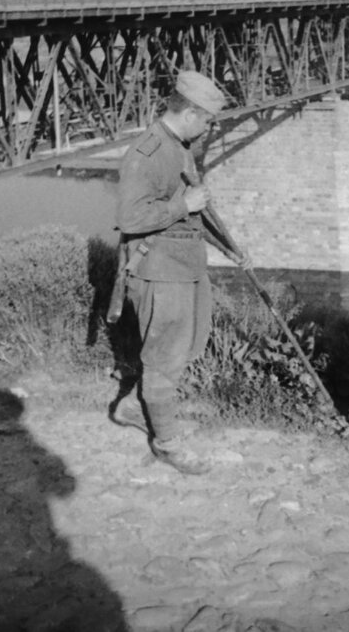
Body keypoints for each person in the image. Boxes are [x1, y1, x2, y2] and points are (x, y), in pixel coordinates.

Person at [110, 70, 247, 475]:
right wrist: (183, 206)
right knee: (164, 358)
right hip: (159, 270)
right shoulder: (147, 153)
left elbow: (190, 214)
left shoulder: (178, 145)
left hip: (182, 265)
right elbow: (130, 218)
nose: (208, 129)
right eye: (206, 120)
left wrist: (227, 248)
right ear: (189, 112)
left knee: (185, 345)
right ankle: (166, 443)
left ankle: (135, 406)